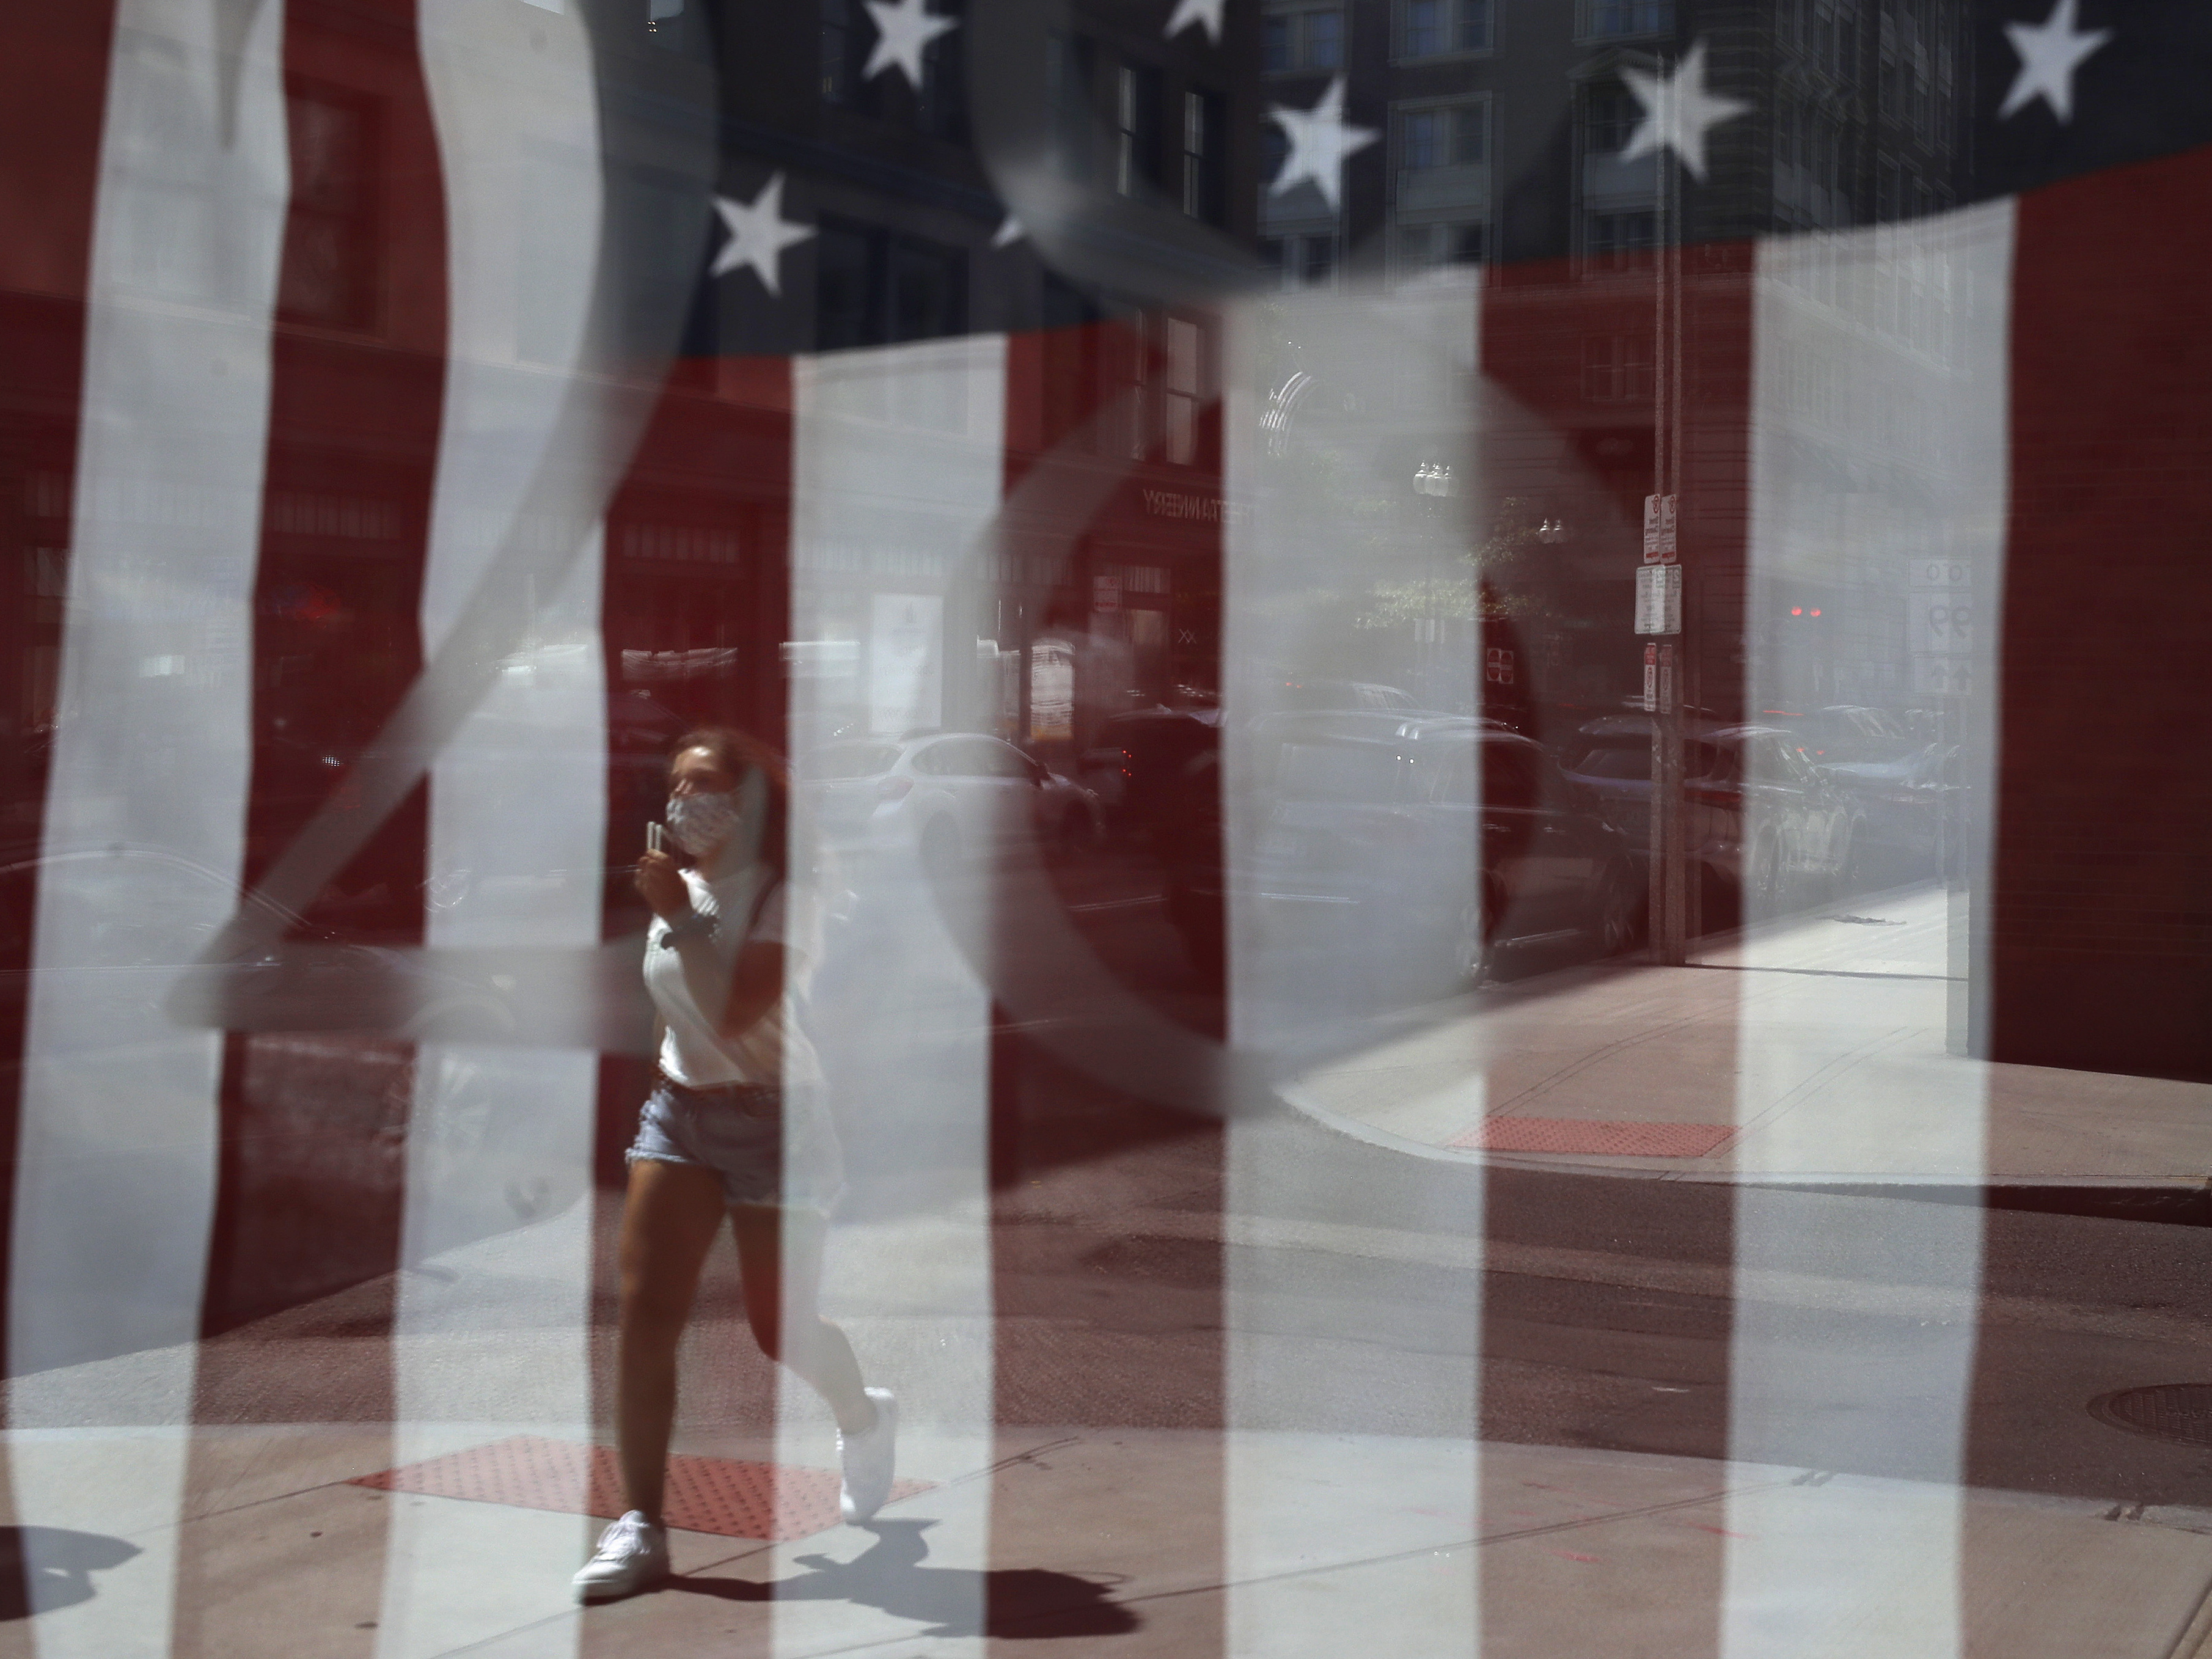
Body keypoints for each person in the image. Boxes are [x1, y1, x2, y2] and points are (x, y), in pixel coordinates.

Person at [574, 727, 895, 1602]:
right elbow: (675, 1007)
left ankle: (863, 1417)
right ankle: (641, 1526)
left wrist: (677, 911)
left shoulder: (784, 896)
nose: (685, 800)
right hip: (681, 1114)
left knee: (776, 1326)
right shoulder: (681, 883)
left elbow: (733, 1007)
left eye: (707, 783)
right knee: (645, 1314)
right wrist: (665, 1077)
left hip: (777, 1121)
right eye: (677, 785)